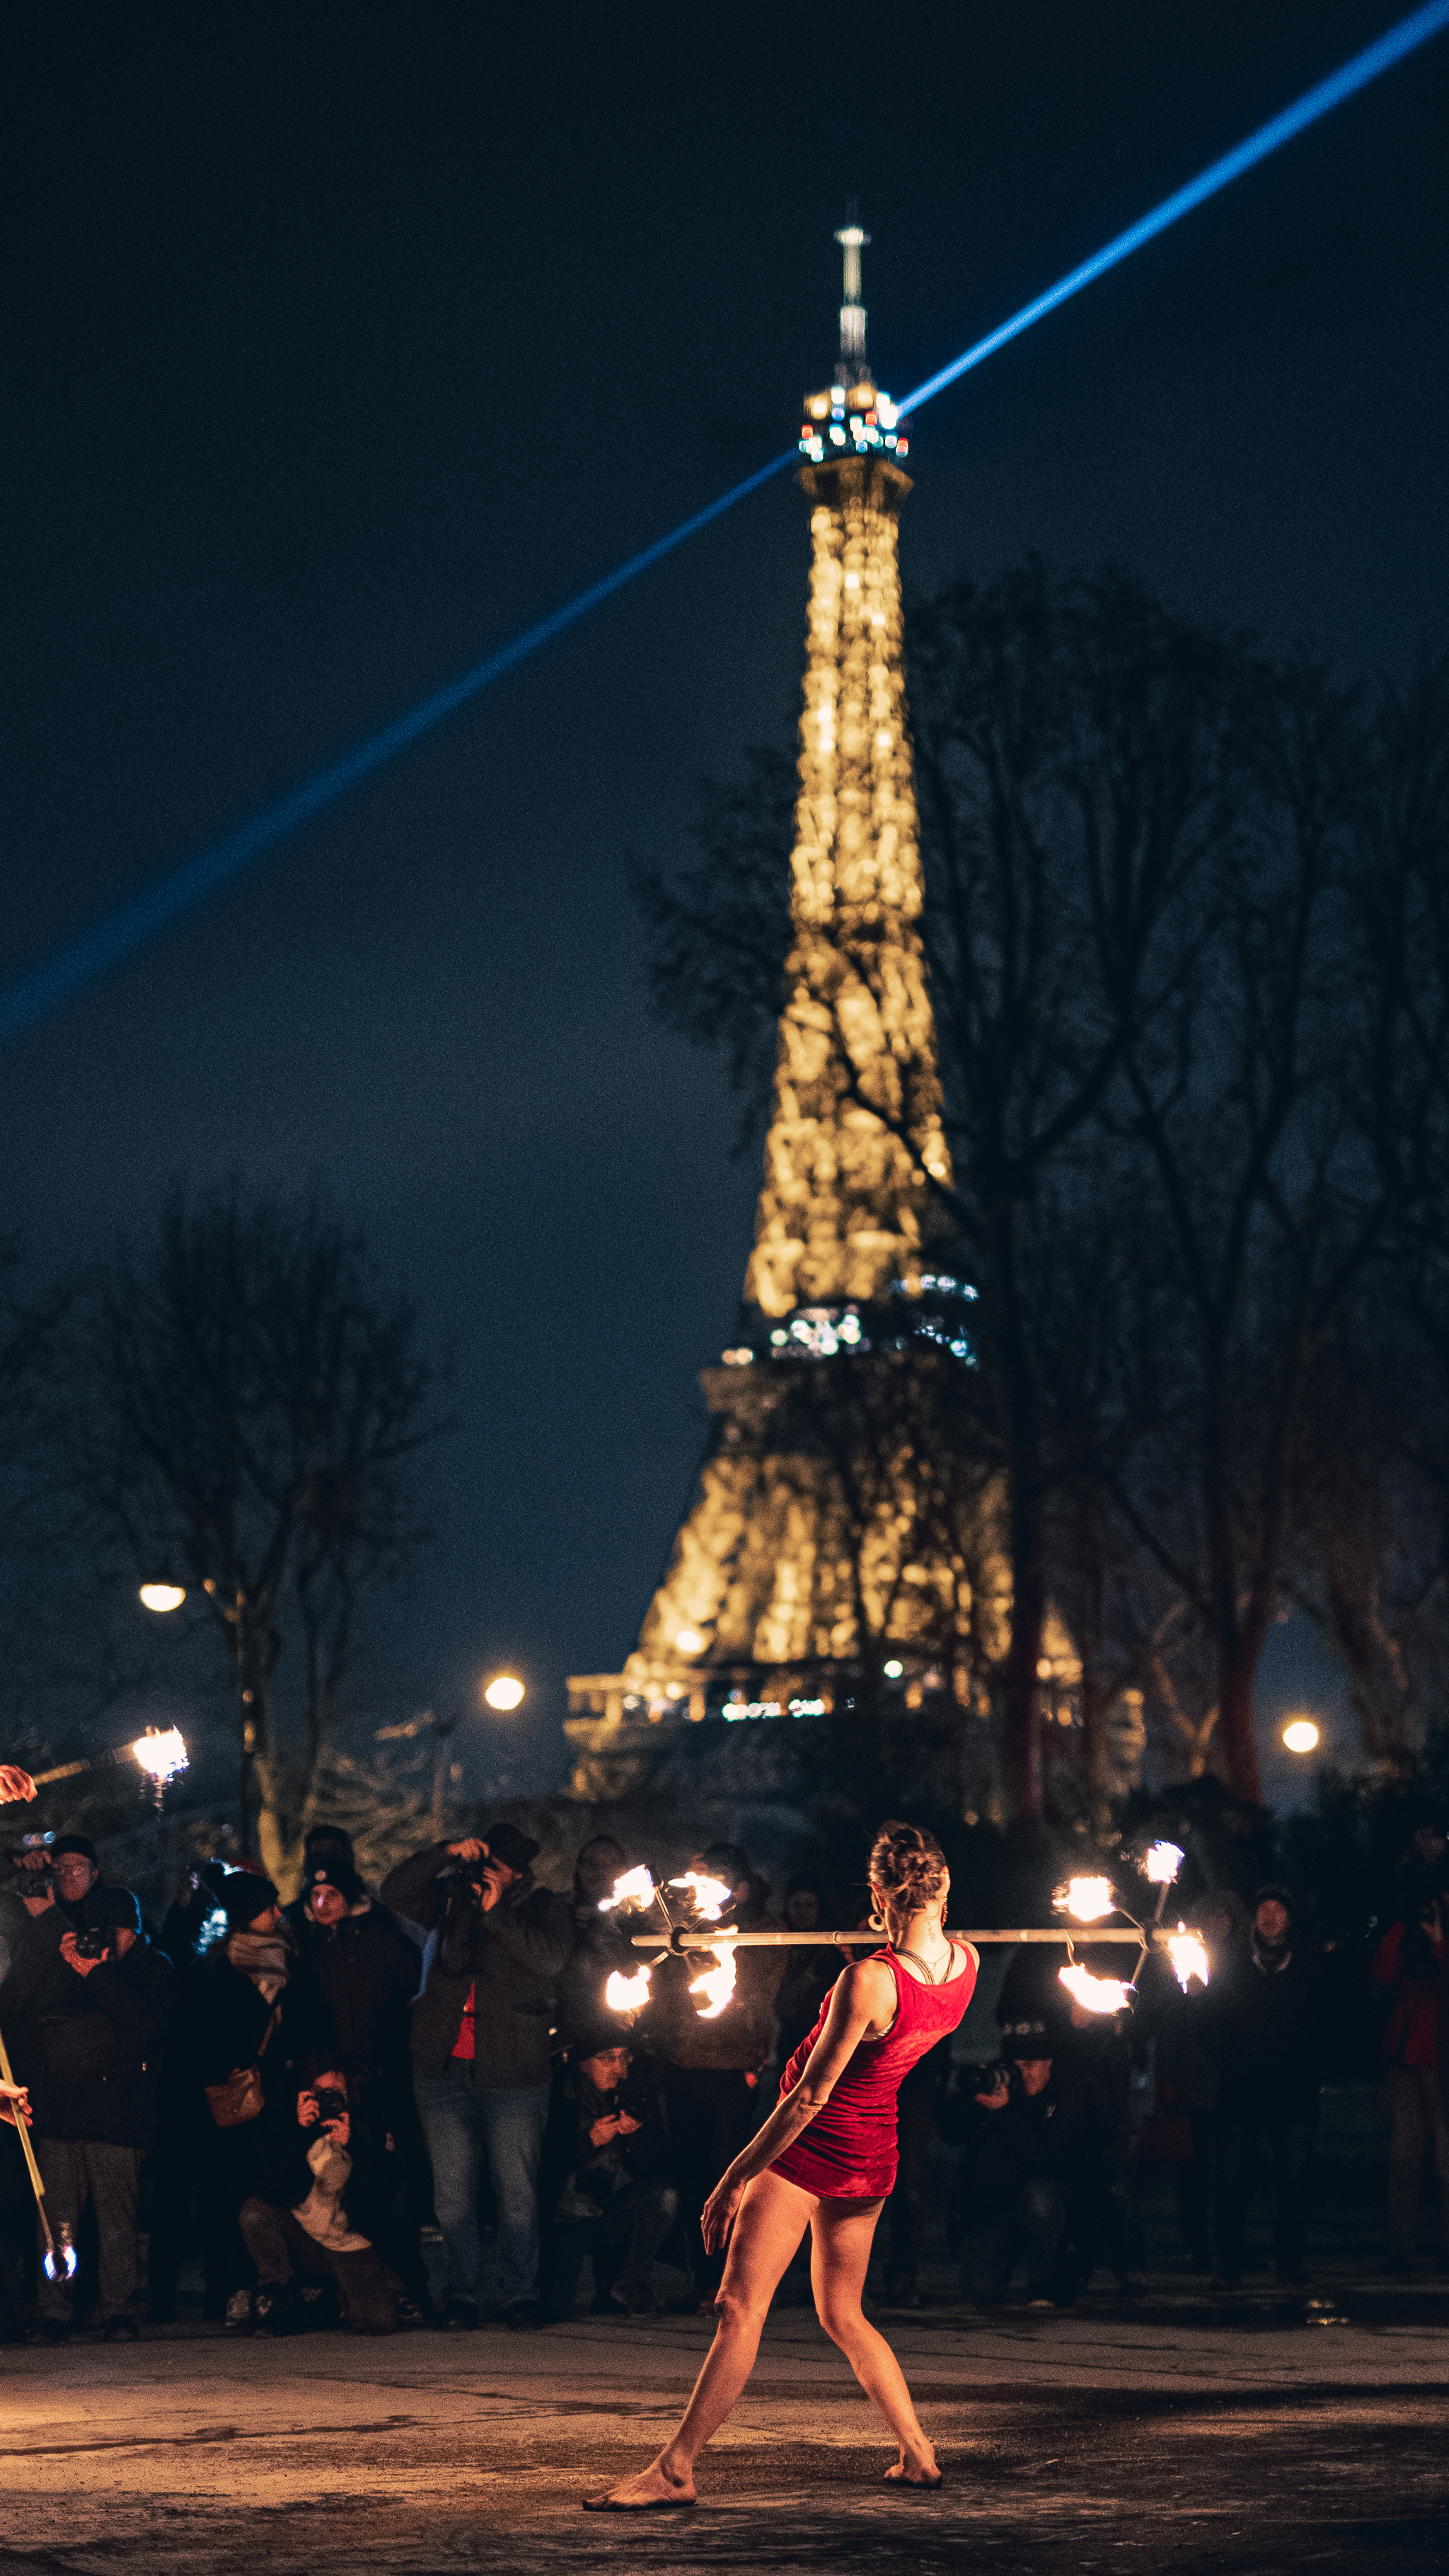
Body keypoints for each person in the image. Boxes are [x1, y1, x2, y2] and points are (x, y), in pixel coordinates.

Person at [584, 1820, 977, 2511]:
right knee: (842, 2312)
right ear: (943, 1894)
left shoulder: (868, 1978)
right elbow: (896, 2012)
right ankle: (918, 2454)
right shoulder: (964, 1963)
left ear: (879, 1895)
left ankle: (675, 2469)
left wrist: (733, 2174)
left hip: (811, 2147)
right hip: (871, 2149)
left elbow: (805, 2100)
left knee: (738, 2307)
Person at [381, 1822, 571, 2329]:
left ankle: (519, 2293)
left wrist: (498, 1912)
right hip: (442, 2067)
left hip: (514, 2071)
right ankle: (463, 2291)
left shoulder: (544, 1907)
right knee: (452, 2194)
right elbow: (393, 1891)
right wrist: (444, 1853)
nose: (484, 1874)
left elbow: (550, 1959)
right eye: (481, 1863)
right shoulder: (448, 1900)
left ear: (519, 1873)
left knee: (516, 2191)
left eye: (497, 1867)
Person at [10, 1885, 176, 2342]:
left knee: (117, 2220)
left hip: (119, 2117)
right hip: (61, 2112)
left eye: (111, 1930)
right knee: (57, 2219)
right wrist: (66, 1967)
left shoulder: (151, 1968)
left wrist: (99, 1974)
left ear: (132, 1929)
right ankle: (53, 2309)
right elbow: (29, 2016)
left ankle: (116, 2309)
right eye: (92, 1930)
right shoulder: (65, 1965)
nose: (99, 1939)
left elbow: (144, 2029)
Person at [645, 1839, 785, 2313]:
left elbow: (747, 1995)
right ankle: (699, 2276)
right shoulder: (685, 1930)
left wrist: (703, 1952)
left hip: (731, 2068)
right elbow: (664, 1989)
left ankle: (730, 2282)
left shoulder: (765, 1931)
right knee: (689, 2176)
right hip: (684, 2062)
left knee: (727, 2176)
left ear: (740, 1887)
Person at [185, 1869, 319, 2323]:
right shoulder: (216, 1969)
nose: (277, 1914)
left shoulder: (294, 1961)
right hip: (235, 2101)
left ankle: (279, 2284)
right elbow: (202, 2036)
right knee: (229, 2193)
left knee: (277, 2184)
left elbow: (308, 2026)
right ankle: (232, 2286)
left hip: (282, 2100)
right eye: (267, 1907)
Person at [942, 2003, 1119, 2309]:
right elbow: (949, 2132)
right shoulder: (1001, 2085)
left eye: (1031, 2064)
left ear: (1050, 2063)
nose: (1022, 2071)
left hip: (1056, 2218)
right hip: (997, 2209)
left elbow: (1048, 2161)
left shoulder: (1070, 2095)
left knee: (1042, 2196)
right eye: (1016, 2062)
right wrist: (974, 2096)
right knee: (979, 2292)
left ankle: (1043, 2283)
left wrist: (1005, 2114)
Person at [1203, 1883, 1325, 2287]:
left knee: (1295, 2183)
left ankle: (1290, 2263)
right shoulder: (1232, 1963)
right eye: (1264, 1909)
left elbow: (1328, 2025)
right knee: (1231, 2182)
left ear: (1290, 1918)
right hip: (1241, 2090)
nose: (1271, 1917)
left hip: (1294, 2094)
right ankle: (1228, 2265)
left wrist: (1311, 2074)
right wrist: (1231, 2060)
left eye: (1279, 1910)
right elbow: (1207, 2022)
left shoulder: (1308, 1964)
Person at [238, 2065, 401, 2333]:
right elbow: (266, 2187)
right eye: (320, 2093)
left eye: (336, 2093)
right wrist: (300, 2132)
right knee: (254, 2212)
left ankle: (330, 2298)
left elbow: (388, 2185)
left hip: (349, 2242)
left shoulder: (367, 2123)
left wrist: (353, 2146)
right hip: (303, 2238)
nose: (328, 2101)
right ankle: (280, 2292)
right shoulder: (286, 2122)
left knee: (377, 2323)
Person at [539, 2026, 678, 2320]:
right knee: (555, 2309)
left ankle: (627, 2281)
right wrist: (589, 2141)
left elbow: (661, 2167)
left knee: (664, 2197)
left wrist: (636, 2136)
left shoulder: (635, 2096)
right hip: (569, 2215)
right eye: (607, 2059)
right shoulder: (561, 2096)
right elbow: (546, 2164)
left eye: (624, 2058)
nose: (619, 2067)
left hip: (614, 2211)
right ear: (584, 2063)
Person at [1372, 1880, 1449, 2272]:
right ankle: (1400, 2249)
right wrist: (1405, 1926)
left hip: (1438, 2060)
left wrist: (1439, 1938)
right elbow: (1383, 1972)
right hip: (1405, 2058)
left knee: (1443, 2160)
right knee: (1405, 2158)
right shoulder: (1406, 1939)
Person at [555, 1835, 633, 2040]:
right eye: (591, 1862)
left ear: (623, 1871)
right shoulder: (558, 1910)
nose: (600, 1870)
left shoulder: (640, 1917)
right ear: (579, 1868)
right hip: (569, 2027)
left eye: (609, 1864)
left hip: (625, 2028)